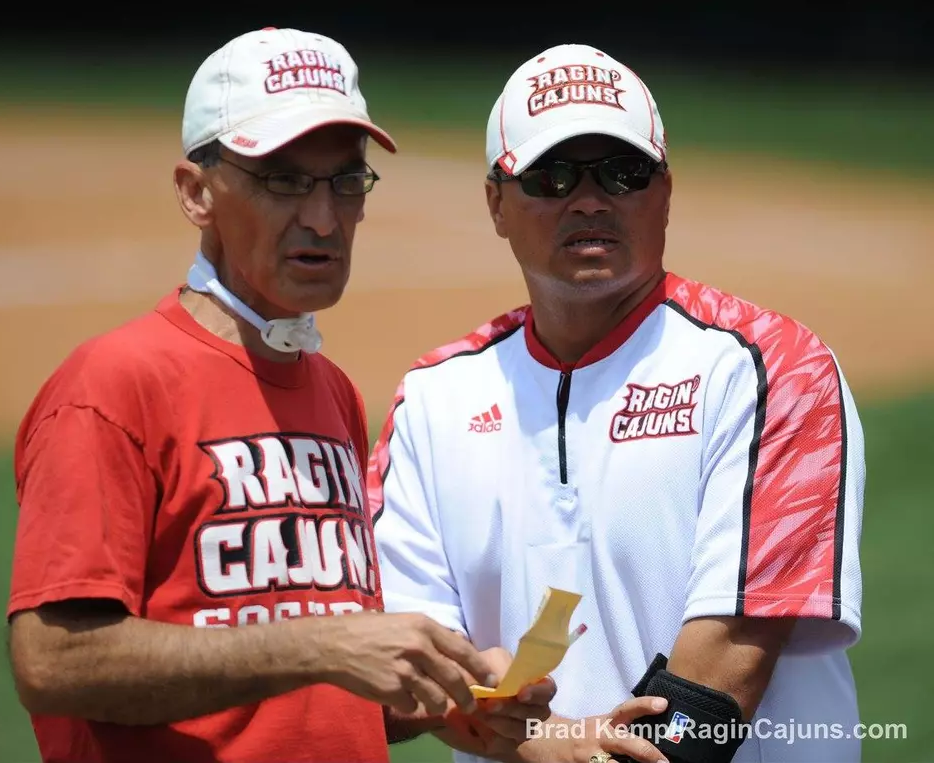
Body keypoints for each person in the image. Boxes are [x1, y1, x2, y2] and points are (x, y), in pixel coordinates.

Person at [5, 27, 553, 763]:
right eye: (284, 179)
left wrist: (450, 696)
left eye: (345, 180)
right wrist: (323, 644)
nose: (324, 220)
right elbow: (52, 661)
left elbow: (303, 692)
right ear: (196, 192)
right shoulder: (112, 386)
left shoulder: (330, 391)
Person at [369, 43, 865, 763]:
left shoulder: (769, 370)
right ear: (495, 203)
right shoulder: (433, 401)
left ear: (665, 190)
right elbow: (401, 680)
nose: (591, 199)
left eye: (625, 172)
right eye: (554, 174)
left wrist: (555, 746)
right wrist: (529, 732)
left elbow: (714, 697)